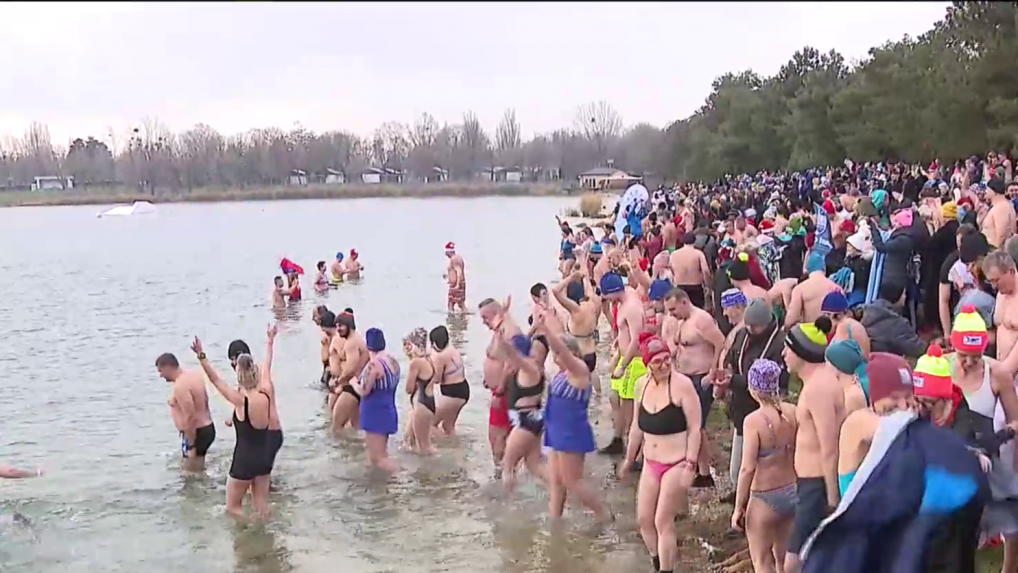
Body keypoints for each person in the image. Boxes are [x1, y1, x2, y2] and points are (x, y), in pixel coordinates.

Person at [621, 334, 701, 573]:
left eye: (667, 359)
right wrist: (628, 459)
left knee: (662, 521)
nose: (665, 365)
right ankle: (658, 562)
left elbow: (696, 428)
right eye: (658, 362)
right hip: (650, 462)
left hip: (677, 462)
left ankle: (667, 570)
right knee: (644, 521)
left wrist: (690, 464)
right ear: (647, 365)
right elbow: (636, 426)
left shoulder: (682, 385)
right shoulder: (640, 386)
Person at [533, 308, 606, 520]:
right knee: (556, 482)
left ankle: (603, 514)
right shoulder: (562, 374)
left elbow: (563, 352)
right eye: (554, 355)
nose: (556, 359)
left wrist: (546, 329)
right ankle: (555, 523)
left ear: (573, 354)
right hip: (556, 430)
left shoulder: (580, 371)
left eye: (558, 354)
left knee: (573, 481)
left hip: (572, 432)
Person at [714, 298, 786, 504]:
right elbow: (733, 358)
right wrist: (726, 375)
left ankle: (746, 504)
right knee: (738, 466)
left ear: (766, 323)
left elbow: (771, 380)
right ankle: (741, 494)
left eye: (755, 326)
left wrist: (734, 380)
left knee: (746, 466)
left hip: (762, 410)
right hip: (741, 406)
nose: (751, 329)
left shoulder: (778, 342)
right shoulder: (743, 335)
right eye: (748, 325)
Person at [191, 339, 273, 518]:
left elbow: (215, 379)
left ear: (239, 375)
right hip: (264, 458)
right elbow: (267, 365)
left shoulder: (240, 400)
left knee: (233, 508)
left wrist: (201, 356)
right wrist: (270, 342)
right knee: (261, 507)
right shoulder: (266, 394)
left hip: (244, 460)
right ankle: (266, 541)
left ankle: (244, 543)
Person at [784, 321, 842, 573]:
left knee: (793, 562)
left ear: (801, 353)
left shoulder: (818, 388)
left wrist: (832, 497)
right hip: (810, 484)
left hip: (817, 485)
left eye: (787, 349)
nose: (783, 355)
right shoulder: (818, 382)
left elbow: (829, 446)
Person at [731, 359, 797, 573]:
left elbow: (747, 468)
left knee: (761, 561)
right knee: (784, 559)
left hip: (764, 497)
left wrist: (739, 506)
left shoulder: (753, 421)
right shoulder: (793, 412)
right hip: (791, 490)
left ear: (753, 389)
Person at [483, 297, 549, 490]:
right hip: (532, 419)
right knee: (534, 464)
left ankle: (508, 507)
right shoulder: (533, 369)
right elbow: (514, 352)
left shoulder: (529, 369)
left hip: (525, 420)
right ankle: (562, 486)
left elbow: (511, 356)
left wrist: (500, 390)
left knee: (508, 467)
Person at [226, 328, 284, 479]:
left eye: (234, 361)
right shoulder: (255, 378)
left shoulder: (256, 383)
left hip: (268, 434)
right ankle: (271, 499)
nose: (233, 364)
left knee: (259, 481)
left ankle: (271, 500)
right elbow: (268, 360)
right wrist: (270, 340)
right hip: (273, 434)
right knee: (261, 478)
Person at [601, 271, 646, 456]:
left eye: (607, 296)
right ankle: (617, 440)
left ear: (614, 291)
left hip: (633, 361)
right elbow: (625, 332)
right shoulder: (625, 295)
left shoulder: (632, 307)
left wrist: (623, 366)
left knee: (630, 409)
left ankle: (634, 452)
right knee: (614, 398)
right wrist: (618, 341)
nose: (607, 300)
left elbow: (637, 339)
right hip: (623, 356)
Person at [155, 352, 216, 472]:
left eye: (161, 371)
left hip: (196, 433)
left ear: (169, 367)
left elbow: (190, 416)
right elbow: (205, 401)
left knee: (190, 475)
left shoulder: (180, 386)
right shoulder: (193, 375)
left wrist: (191, 444)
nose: (160, 375)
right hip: (207, 428)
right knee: (197, 469)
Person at [551, 269, 602, 395]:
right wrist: (584, 276)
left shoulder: (575, 310)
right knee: (593, 373)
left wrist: (569, 277)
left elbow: (556, 291)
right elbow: (588, 285)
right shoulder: (592, 303)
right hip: (591, 352)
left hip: (579, 354)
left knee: (576, 383)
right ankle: (599, 397)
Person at [356, 328, 400, 473]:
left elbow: (363, 390)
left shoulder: (374, 364)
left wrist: (352, 383)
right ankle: (377, 487)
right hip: (388, 408)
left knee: (378, 459)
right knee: (377, 454)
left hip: (375, 412)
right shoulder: (393, 361)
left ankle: (403, 477)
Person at [860, 282, 927, 359]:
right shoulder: (898, 324)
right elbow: (918, 349)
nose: (905, 297)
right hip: (884, 365)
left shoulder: (864, 310)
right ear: (899, 297)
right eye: (904, 294)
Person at [329, 311, 368, 431]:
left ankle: (337, 450)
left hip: (351, 389)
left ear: (348, 325)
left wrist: (338, 382)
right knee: (356, 427)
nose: (338, 329)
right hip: (358, 387)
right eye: (336, 326)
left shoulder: (351, 343)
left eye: (340, 326)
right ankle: (357, 449)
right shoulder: (357, 339)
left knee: (336, 427)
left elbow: (351, 369)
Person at [429, 325, 470, 436]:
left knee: (430, 424)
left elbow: (437, 379)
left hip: (452, 394)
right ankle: (455, 448)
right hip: (464, 389)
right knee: (448, 425)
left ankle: (444, 448)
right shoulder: (452, 349)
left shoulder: (439, 357)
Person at [402, 327, 437, 455]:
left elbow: (408, 389)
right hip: (429, 403)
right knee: (407, 441)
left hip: (421, 406)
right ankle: (416, 472)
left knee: (424, 448)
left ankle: (439, 471)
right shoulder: (429, 359)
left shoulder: (415, 363)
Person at [445, 242, 467, 312]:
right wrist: (448, 277)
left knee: (452, 304)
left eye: (446, 252)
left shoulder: (455, 259)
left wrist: (457, 284)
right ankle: (461, 318)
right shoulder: (455, 258)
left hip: (456, 285)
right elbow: (454, 272)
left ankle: (451, 319)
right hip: (455, 284)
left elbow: (459, 272)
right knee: (458, 303)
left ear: (449, 252)